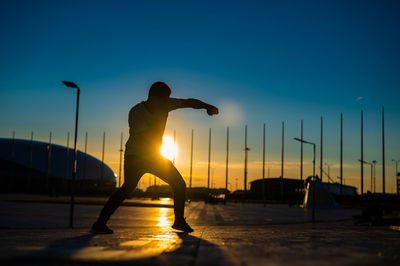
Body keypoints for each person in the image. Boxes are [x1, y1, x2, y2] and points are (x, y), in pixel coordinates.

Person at [91, 81, 219, 234]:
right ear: (154, 98)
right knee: (127, 188)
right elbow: (145, 137)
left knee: (179, 184)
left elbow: (189, 102)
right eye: (163, 100)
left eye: (167, 100)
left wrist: (207, 106)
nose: (166, 103)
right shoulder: (136, 112)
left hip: (154, 156)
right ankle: (100, 223)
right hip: (135, 157)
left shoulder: (166, 104)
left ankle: (178, 221)